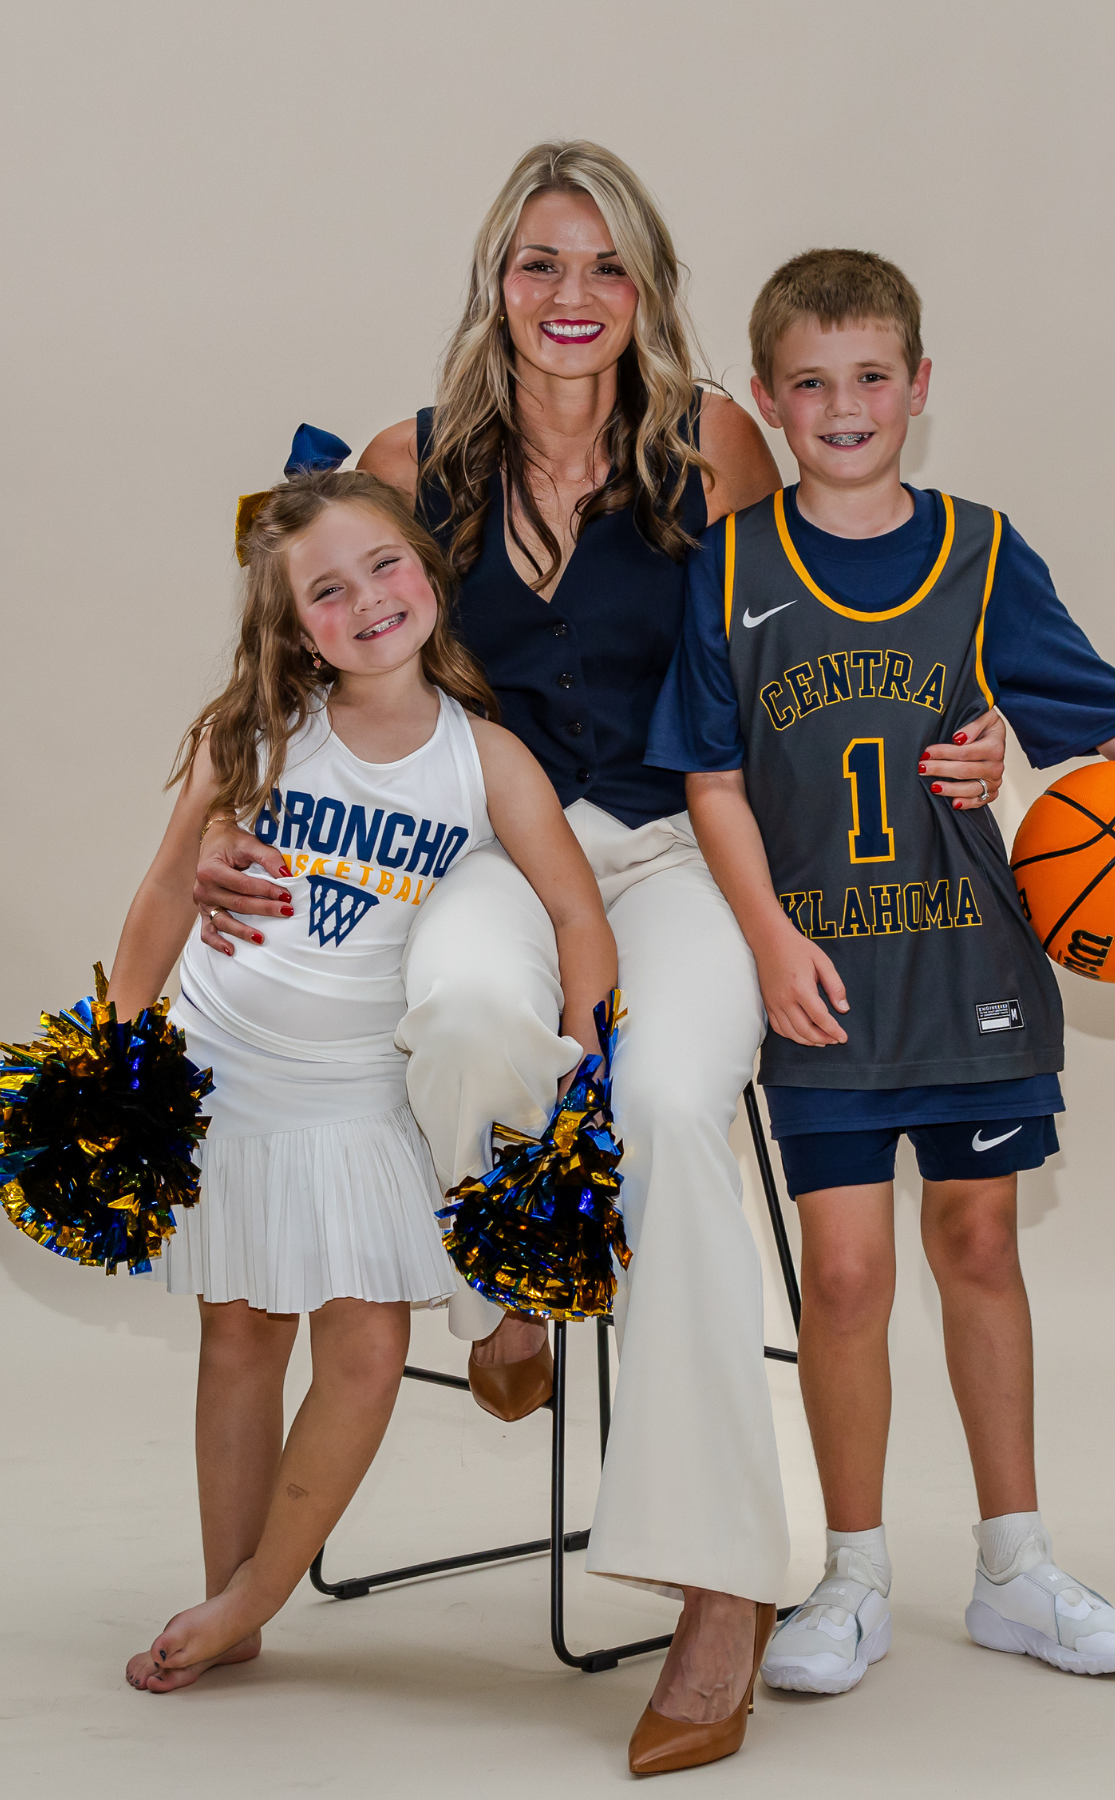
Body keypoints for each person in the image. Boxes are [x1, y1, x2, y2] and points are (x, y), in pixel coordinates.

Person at [192, 144, 1006, 1773]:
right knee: (470, 1008)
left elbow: (816, 645)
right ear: (495, 284)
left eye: (606, 268)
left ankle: (721, 1588)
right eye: (540, 265)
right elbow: (312, 658)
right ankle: (519, 1272)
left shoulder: (711, 443)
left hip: (688, 853)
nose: (573, 300)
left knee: (668, 1109)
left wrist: (960, 740)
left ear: (648, 290)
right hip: (492, 849)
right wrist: (237, 831)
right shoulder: (407, 461)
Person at [647, 246, 1115, 1694]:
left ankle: (1016, 1565)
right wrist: (766, 942)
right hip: (823, 978)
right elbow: (708, 778)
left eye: (872, 376)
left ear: (920, 389)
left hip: (972, 969)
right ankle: (853, 1572)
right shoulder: (735, 566)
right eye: (813, 383)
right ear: (766, 402)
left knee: (978, 1247)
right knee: (841, 1275)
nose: (845, 404)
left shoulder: (985, 551)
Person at [114, 464, 615, 1693]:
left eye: (385, 565)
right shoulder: (257, 736)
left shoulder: (483, 758)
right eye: (327, 592)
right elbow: (166, 894)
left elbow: (575, 913)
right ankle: (231, 1599)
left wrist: (583, 1078)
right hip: (229, 1071)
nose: (369, 600)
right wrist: (119, 1048)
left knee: (366, 1354)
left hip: (358, 1096)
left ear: (430, 571)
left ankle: (256, 1591)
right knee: (238, 1335)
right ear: (294, 627)